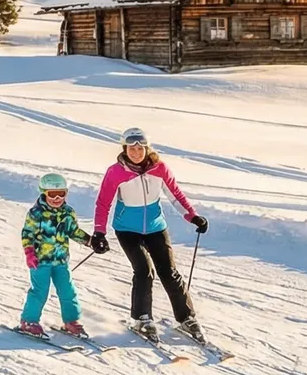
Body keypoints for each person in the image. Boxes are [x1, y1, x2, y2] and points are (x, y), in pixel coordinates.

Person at [93, 127, 208, 342]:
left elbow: (175, 195)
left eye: (140, 148)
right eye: (131, 148)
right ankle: (141, 319)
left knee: (169, 272)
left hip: (156, 227)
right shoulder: (116, 172)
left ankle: (186, 318)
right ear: (124, 148)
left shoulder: (160, 168)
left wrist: (192, 216)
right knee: (144, 270)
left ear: (147, 148)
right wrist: (99, 232)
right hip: (127, 229)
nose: (136, 152)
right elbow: (103, 202)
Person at [16, 173, 96, 338]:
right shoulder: (36, 213)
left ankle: (71, 321)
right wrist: (29, 253)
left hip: (60, 260)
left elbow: (73, 231)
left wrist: (91, 241)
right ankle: (28, 321)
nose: (57, 198)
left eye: (62, 193)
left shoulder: (68, 212)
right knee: (40, 291)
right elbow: (27, 234)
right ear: (44, 193)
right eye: (52, 194)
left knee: (67, 291)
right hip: (40, 261)